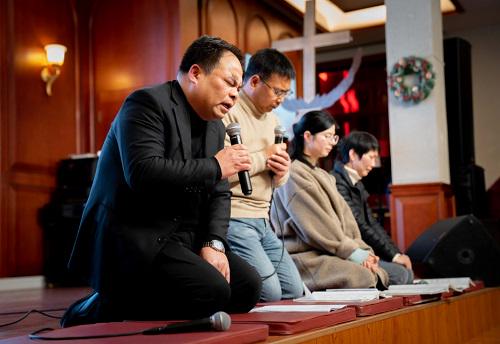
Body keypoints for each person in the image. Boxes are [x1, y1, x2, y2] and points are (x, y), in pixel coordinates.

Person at [61, 36, 262, 327]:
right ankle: (100, 307)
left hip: (183, 237)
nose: (235, 95)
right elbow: (143, 172)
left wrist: (213, 242)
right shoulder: (146, 104)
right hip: (138, 233)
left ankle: (140, 298)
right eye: (230, 82)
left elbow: (220, 194)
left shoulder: (216, 128)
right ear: (195, 73)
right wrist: (216, 165)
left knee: (247, 288)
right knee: (213, 291)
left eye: (238, 88)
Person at [270, 110, 389, 291]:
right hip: (306, 255)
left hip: (331, 250)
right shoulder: (294, 173)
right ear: (308, 136)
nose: (332, 143)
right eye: (327, 136)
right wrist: (353, 254)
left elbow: (347, 221)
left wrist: (364, 252)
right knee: (364, 276)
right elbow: (317, 227)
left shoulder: (324, 175)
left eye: (334, 137)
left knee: (380, 273)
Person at [221, 48, 303, 301]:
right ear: (254, 81)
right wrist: (264, 157)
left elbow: (277, 180)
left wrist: (282, 171)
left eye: (285, 93)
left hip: (263, 219)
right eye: (277, 91)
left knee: (293, 290)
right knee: (269, 293)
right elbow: (220, 171)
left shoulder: (274, 120)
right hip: (236, 217)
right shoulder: (228, 111)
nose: (280, 100)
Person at [332, 131, 414, 285]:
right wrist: (394, 258)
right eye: (371, 157)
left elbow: (373, 224)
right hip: (349, 254)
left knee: (405, 272)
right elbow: (359, 225)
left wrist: (396, 254)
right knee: (401, 275)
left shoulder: (357, 184)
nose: (373, 164)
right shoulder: (337, 182)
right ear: (353, 155)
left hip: (364, 252)